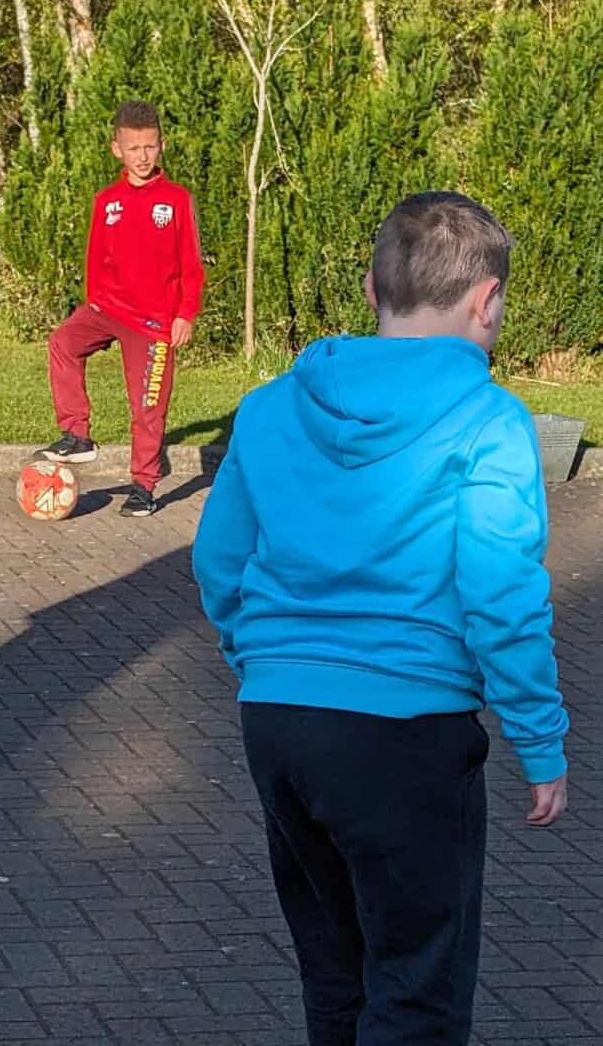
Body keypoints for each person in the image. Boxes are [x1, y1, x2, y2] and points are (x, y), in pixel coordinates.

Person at [193, 191, 569, 1046]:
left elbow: (219, 561)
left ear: (372, 288)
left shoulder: (269, 406)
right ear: (487, 301)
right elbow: (501, 595)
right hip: (407, 730)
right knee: (417, 989)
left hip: (279, 719)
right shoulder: (490, 421)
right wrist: (539, 737)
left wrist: (261, 657)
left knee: (335, 972)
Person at [35, 100, 204, 517]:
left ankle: (143, 486)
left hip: (153, 324)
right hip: (106, 309)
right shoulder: (107, 200)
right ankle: (77, 435)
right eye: (133, 149)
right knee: (62, 343)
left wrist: (185, 313)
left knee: (147, 407)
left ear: (161, 146)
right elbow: (96, 258)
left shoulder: (176, 200)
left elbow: (191, 263)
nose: (142, 157)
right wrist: (94, 303)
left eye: (149, 147)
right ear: (117, 150)